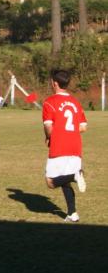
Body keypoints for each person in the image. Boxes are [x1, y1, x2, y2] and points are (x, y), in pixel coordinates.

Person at [42, 69, 88, 223]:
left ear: (55, 83)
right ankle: (72, 213)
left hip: (59, 146)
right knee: (64, 181)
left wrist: (49, 137)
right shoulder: (75, 102)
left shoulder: (50, 102)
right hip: (75, 146)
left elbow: (49, 128)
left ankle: (75, 175)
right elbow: (83, 127)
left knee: (50, 181)